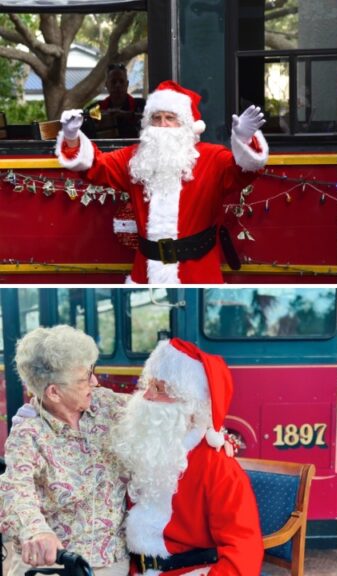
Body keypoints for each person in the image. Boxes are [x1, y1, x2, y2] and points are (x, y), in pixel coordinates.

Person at [57, 81, 269, 283]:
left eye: (170, 117)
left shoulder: (213, 158)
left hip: (197, 272)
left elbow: (245, 171)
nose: (162, 125)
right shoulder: (135, 158)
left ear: (187, 124)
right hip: (145, 273)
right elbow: (96, 166)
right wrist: (72, 136)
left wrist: (244, 139)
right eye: (156, 118)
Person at [110, 338, 263, 572]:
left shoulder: (218, 466)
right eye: (148, 385)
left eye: (159, 390)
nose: (146, 396)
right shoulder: (145, 446)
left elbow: (244, 550)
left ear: (190, 404)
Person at [0, 326, 130, 573]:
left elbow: (155, 414)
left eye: (92, 371)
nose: (95, 381)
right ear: (54, 392)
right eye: (84, 378)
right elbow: (15, 490)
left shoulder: (106, 405)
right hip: (56, 565)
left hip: (112, 562)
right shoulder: (28, 433)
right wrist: (36, 531)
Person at [83, 63, 144, 139]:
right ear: (106, 85)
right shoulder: (96, 108)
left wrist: (129, 115)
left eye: (121, 81)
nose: (118, 85)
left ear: (127, 84)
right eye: (113, 82)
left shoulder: (141, 106)